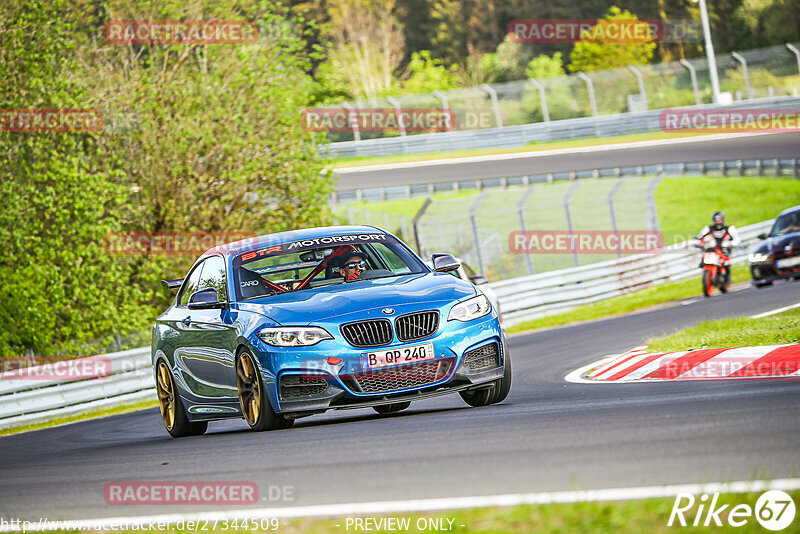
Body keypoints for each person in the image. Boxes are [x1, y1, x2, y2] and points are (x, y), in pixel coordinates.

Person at [695, 211, 741, 287]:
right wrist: (698, 243)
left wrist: (731, 244)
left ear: (723, 219)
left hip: (724, 248)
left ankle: (726, 277)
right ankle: (704, 266)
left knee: (726, 261)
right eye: (716, 220)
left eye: (719, 219)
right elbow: (700, 236)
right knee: (705, 254)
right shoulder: (708, 228)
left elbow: (736, 239)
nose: (718, 221)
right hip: (713, 249)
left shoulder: (729, 228)